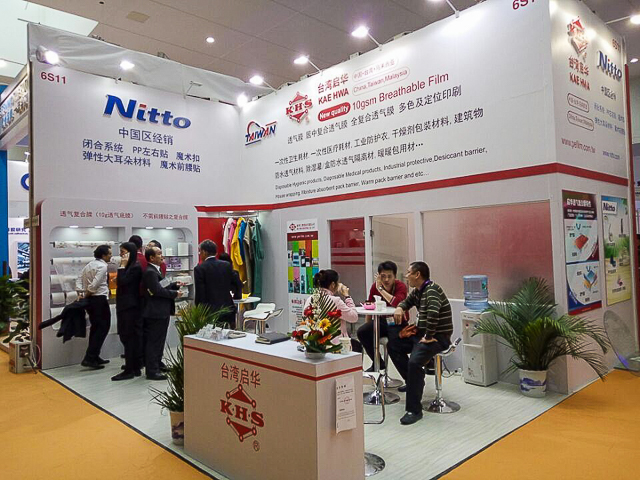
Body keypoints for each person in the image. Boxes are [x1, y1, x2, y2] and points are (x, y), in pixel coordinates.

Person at [389, 261, 453, 425]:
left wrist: (429, 336)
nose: (406, 276)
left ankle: (414, 410)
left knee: (415, 362)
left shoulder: (432, 290)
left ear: (417, 275)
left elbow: (433, 314)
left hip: (437, 337)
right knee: (393, 345)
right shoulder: (418, 291)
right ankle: (413, 382)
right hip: (423, 334)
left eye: (409, 273)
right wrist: (400, 308)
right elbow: (406, 302)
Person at [357, 261, 408, 371]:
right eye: (383, 276)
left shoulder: (400, 286)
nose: (386, 280)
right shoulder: (374, 287)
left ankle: (410, 377)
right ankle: (378, 363)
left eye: (389, 276)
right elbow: (369, 305)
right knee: (362, 332)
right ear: (379, 276)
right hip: (382, 322)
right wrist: (368, 325)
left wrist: (381, 289)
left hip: (398, 322)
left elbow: (397, 303)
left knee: (394, 345)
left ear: (395, 276)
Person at [142, 246, 182, 380]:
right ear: (151, 257)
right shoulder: (150, 272)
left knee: (160, 340)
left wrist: (174, 285)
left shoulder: (156, 270)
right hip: (155, 311)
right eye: (159, 254)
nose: (162, 256)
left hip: (161, 311)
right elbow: (156, 291)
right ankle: (152, 370)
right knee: (154, 341)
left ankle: (158, 364)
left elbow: (161, 285)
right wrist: (174, 293)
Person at [303, 269, 361, 352]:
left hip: (314, 344)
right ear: (333, 284)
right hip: (335, 346)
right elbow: (353, 317)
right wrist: (347, 296)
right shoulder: (335, 301)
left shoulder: (310, 299)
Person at [77, 245, 112, 370]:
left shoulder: (89, 265)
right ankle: (90, 357)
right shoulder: (102, 266)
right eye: (109, 254)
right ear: (103, 255)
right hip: (99, 299)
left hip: (92, 301)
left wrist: (80, 293)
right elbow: (94, 284)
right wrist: (87, 293)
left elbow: (79, 278)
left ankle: (94, 355)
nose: (111, 256)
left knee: (95, 328)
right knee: (103, 327)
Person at [112, 242, 143, 381]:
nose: (121, 255)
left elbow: (123, 282)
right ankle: (134, 367)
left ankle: (130, 369)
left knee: (129, 337)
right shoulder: (131, 267)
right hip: (126, 306)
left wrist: (122, 267)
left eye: (123, 252)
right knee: (128, 337)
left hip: (130, 307)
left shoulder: (135, 267)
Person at [194, 240, 237, 327]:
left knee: (212, 334)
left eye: (200, 252)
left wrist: (199, 311)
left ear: (204, 252)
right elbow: (236, 283)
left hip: (210, 311)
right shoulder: (226, 265)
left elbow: (200, 293)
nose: (200, 254)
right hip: (227, 307)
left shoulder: (199, 268)